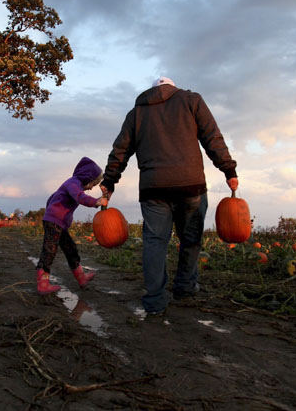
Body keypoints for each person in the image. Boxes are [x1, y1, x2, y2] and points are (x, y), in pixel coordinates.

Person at [100, 77, 238, 316]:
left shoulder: (136, 113)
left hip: (154, 189)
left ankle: (154, 300)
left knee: (155, 242)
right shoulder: (191, 101)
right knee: (191, 239)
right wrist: (228, 169)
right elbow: (212, 137)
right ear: (172, 88)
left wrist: (110, 181)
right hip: (190, 184)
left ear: (153, 90)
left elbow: (120, 151)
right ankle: (184, 287)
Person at [36, 156, 108, 295]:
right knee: (49, 250)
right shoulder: (73, 183)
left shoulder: (74, 184)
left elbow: (52, 197)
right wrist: (96, 202)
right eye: (93, 183)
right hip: (53, 222)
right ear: (87, 177)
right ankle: (43, 284)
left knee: (71, 249)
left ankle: (82, 278)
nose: (92, 187)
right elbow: (79, 197)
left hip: (59, 224)